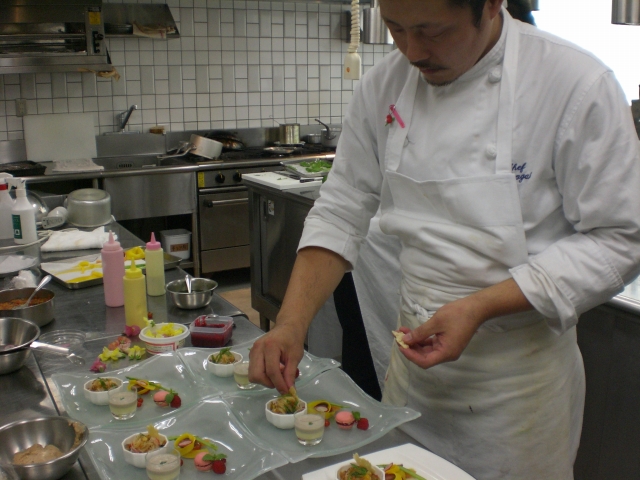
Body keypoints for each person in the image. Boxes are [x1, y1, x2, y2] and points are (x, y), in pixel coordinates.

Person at [249, 0, 640, 478]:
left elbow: (621, 237)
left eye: (432, 31)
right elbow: (341, 209)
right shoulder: (384, 86)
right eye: (396, 29)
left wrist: (478, 307)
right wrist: (291, 324)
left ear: (491, 5)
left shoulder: (574, 85)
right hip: (414, 382)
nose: (413, 51)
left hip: (516, 399)